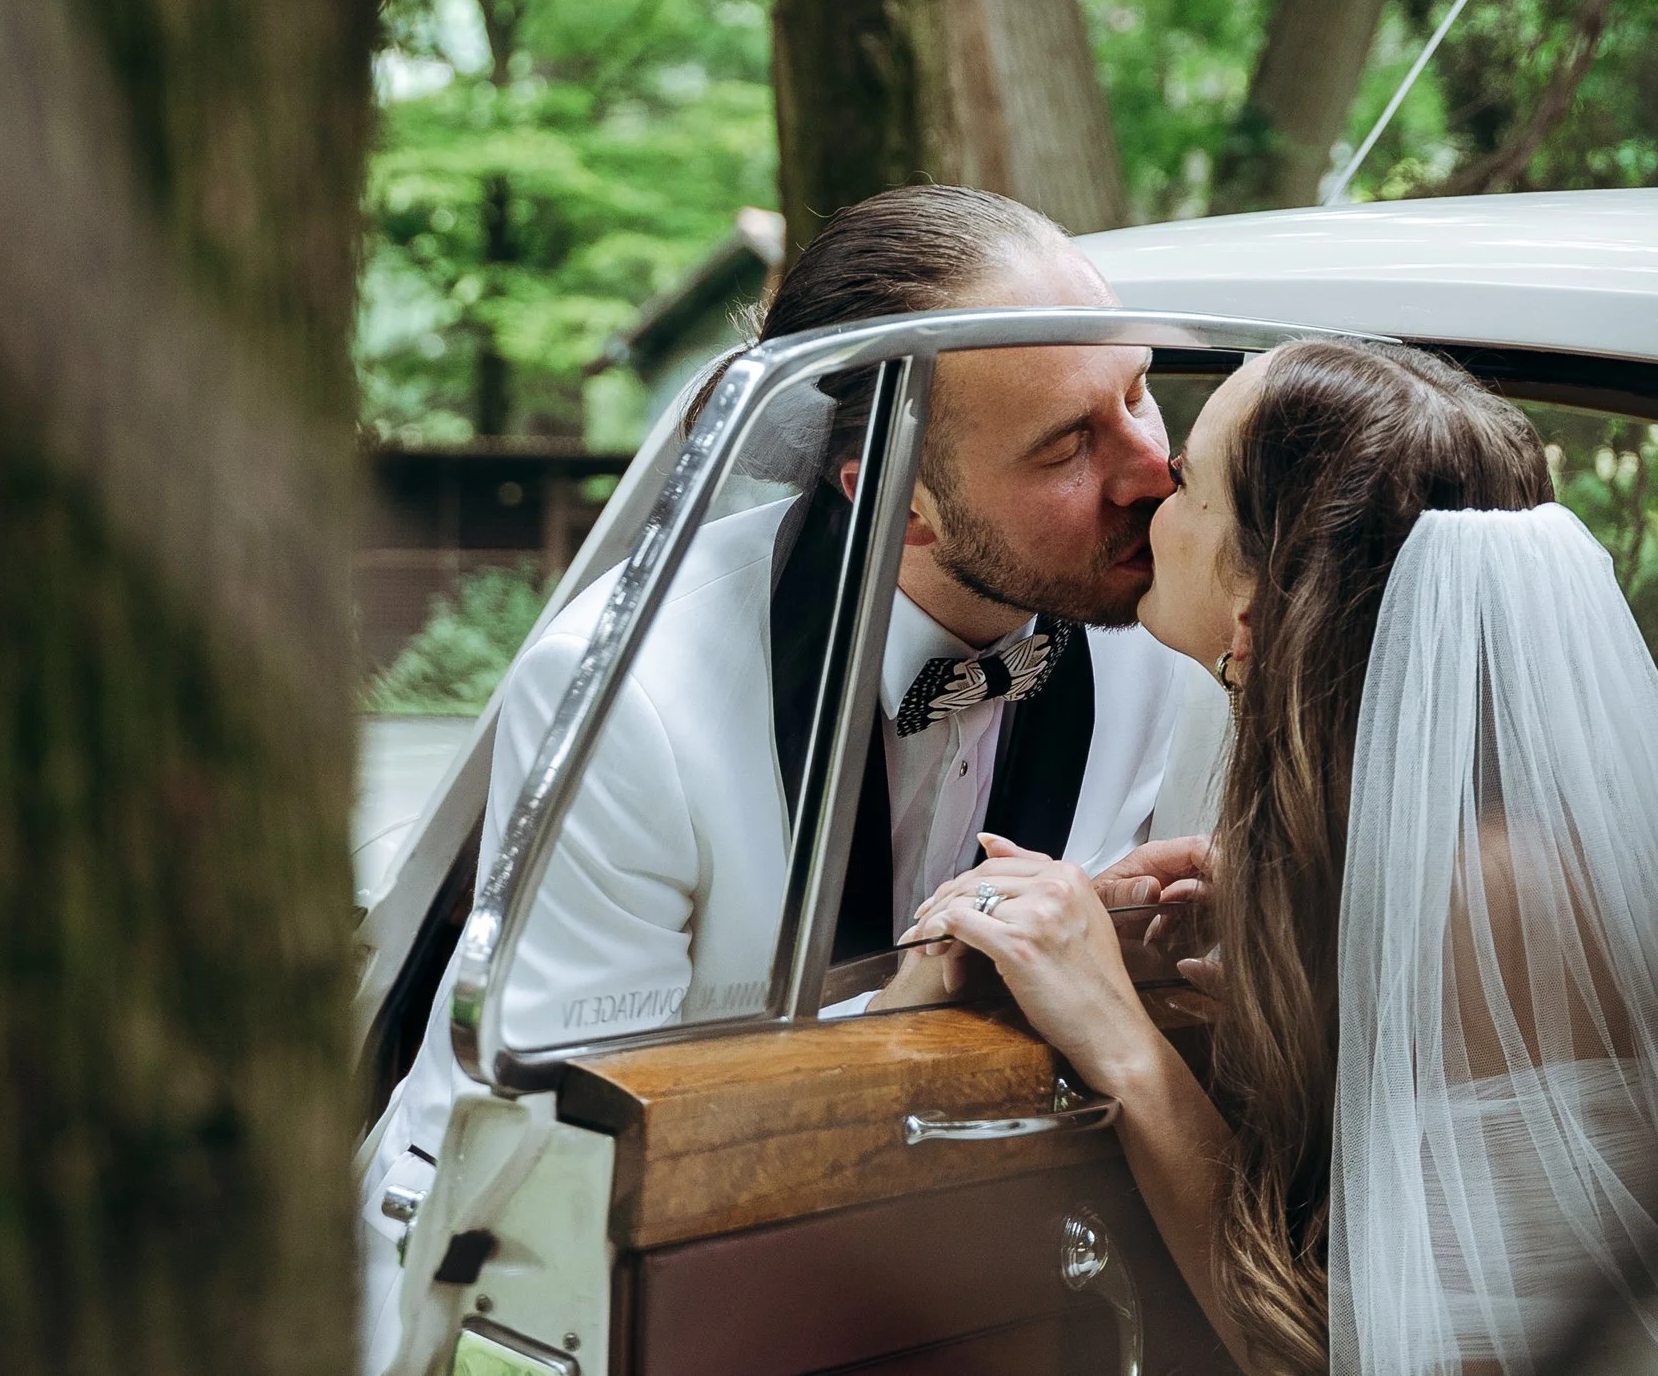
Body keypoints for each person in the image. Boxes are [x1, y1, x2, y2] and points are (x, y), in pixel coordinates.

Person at [910, 337, 1658, 1376]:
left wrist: (1117, 1034)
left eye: (1187, 482)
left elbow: (1354, 1356)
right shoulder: (1404, 852)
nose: (1145, 498)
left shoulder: (1491, 891)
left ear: (1259, 612)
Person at [358, 185, 1207, 1374]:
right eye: (1070, 442)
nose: (1152, 469)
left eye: (1138, 392)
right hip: (522, 1290)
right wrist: (913, 1008)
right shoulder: (633, 695)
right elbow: (578, 1124)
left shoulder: (1154, 642)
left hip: (937, 1277)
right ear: (896, 499)